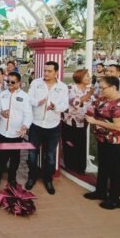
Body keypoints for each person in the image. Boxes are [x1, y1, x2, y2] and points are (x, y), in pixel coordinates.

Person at [83, 76, 120, 210]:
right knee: (104, 166)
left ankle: (114, 199)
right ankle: (100, 191)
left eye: (103, 88)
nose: (101, 90)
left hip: (118, 143)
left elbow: (119, 127)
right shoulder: (103, 99)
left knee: (115, 170)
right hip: (103, 140)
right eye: (100, 88)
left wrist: (95, 122)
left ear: (113, 87)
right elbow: (93, 109)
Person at [25, 61, 69, 194]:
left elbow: (65, 105)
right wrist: (37, 102)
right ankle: (32, 177)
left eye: (49, 71)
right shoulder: (36, 83)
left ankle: (48, 179)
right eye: (45, 70)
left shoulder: (62, 87)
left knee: (50, 156)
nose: (46, 73)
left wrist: (55, 107)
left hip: (52, 126)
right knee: (32, 154)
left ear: (56, 72)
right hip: (36, 125)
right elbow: (29, 99)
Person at [0, 71, 32, 188]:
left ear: (19, 83)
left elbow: (28, 114)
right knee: (0, 159)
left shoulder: (24, 97)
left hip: (16, 135)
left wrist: (25, 126)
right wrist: (0, 113)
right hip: (2, 133)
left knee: (15, 159)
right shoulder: (2, 94)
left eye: (12, 82)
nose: (9, 83)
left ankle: (12, 179)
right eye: (8, 81)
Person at [61, 69, 95, 173]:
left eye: (89, 76)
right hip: (69, 121)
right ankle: (70, 165)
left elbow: (93, 104)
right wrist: (89, 95)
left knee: (81, 144)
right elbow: (75, 103)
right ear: (79, 77)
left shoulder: (89, 89)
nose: (89, 78)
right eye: (87, 76)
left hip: (83, 121)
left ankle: (80, 167)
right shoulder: (71, 87)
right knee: (69, 144)